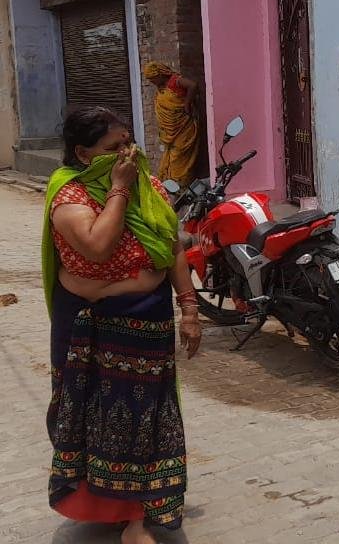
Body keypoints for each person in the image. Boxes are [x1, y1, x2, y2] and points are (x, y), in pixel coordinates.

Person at [42, 107, 203, 544]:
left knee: (145, 420)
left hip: (145, 323)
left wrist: (189, 309)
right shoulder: (69, 195)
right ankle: (104, 505)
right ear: (83, 154)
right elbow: (97, 246)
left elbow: (172, 246)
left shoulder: (148, 188)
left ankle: (138, 517)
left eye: (129, 142)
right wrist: (117, 189)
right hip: (87, 330)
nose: (129, 153)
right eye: (115, 147)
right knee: (87, 416)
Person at [143, 62, 200, 186]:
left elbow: (193, 85)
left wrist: (187, 104)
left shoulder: (175, 81)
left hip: (183, 128)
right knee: (170, 158)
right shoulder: (161, 88)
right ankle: (171, 184)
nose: (152, 82)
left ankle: (180, 185)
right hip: (170, 132)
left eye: (153, 79)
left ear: (160, 74)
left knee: (179, 157)